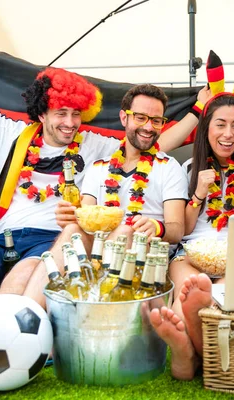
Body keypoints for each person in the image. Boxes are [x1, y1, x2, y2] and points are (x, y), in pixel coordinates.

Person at [0, 68, 209, 298]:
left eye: (76, 114)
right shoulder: (7, 132)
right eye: (61, 113)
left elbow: (147, 140)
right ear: (42, 113)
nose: (70, 122)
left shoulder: (93, 145)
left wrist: (197, 110)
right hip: (2, 240)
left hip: (51, 242)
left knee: (22, 274)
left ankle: (1, 332)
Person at [149, 51, 234, 380]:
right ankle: (190, 353)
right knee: (187, 286)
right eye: (220, 124)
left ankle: (188, 356)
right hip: (192, 254)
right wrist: (197, 195)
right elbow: (183, 229)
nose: (228, 133)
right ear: (207, 127)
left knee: (216, 293)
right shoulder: (188, 168)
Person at [20, 84, 189, 309]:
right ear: (124, 117)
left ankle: (89, 307)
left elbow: (177, 229)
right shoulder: (99, 168)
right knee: (71, 232)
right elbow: (86, 219)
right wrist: (70, 217)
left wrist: (156, 227)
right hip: (97, 251)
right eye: (140, 117)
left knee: (125, 230)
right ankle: (27, 311)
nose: (148, 126)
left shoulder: (168, 167)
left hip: (144, 256)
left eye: (156, 120)